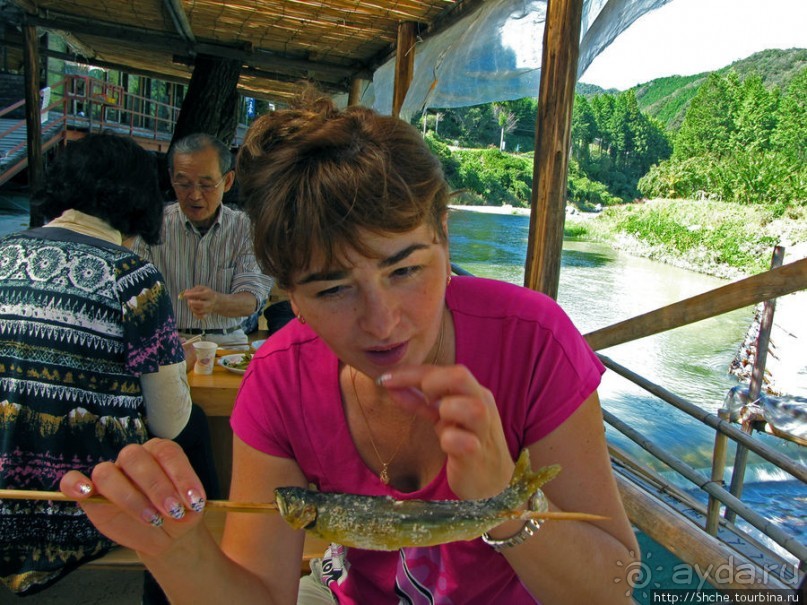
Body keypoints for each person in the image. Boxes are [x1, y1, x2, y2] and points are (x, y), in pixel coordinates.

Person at [60, 92, 640, 604]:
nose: (383, 323)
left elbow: (614, 586)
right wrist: (172, 549)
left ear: (443, 233)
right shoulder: (279, 379)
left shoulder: (531, 340)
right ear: (289, 295)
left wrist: (505, 506)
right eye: (332, 288)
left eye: (407, 268)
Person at [0, 133, 192, 595]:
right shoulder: (134, 279)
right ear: (141, 202)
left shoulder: (4, 253)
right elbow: (170, 420)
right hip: (84, 515)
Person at [129, 133, 274, 346]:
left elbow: (250, 300)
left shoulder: (245, 229)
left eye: (206, 185)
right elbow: (135, 296)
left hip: (227, 342)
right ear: (171, 178)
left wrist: (217, 302)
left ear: (227, 181)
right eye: (184, 184)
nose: (195, 195)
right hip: (166, 342)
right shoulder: (152, 227)